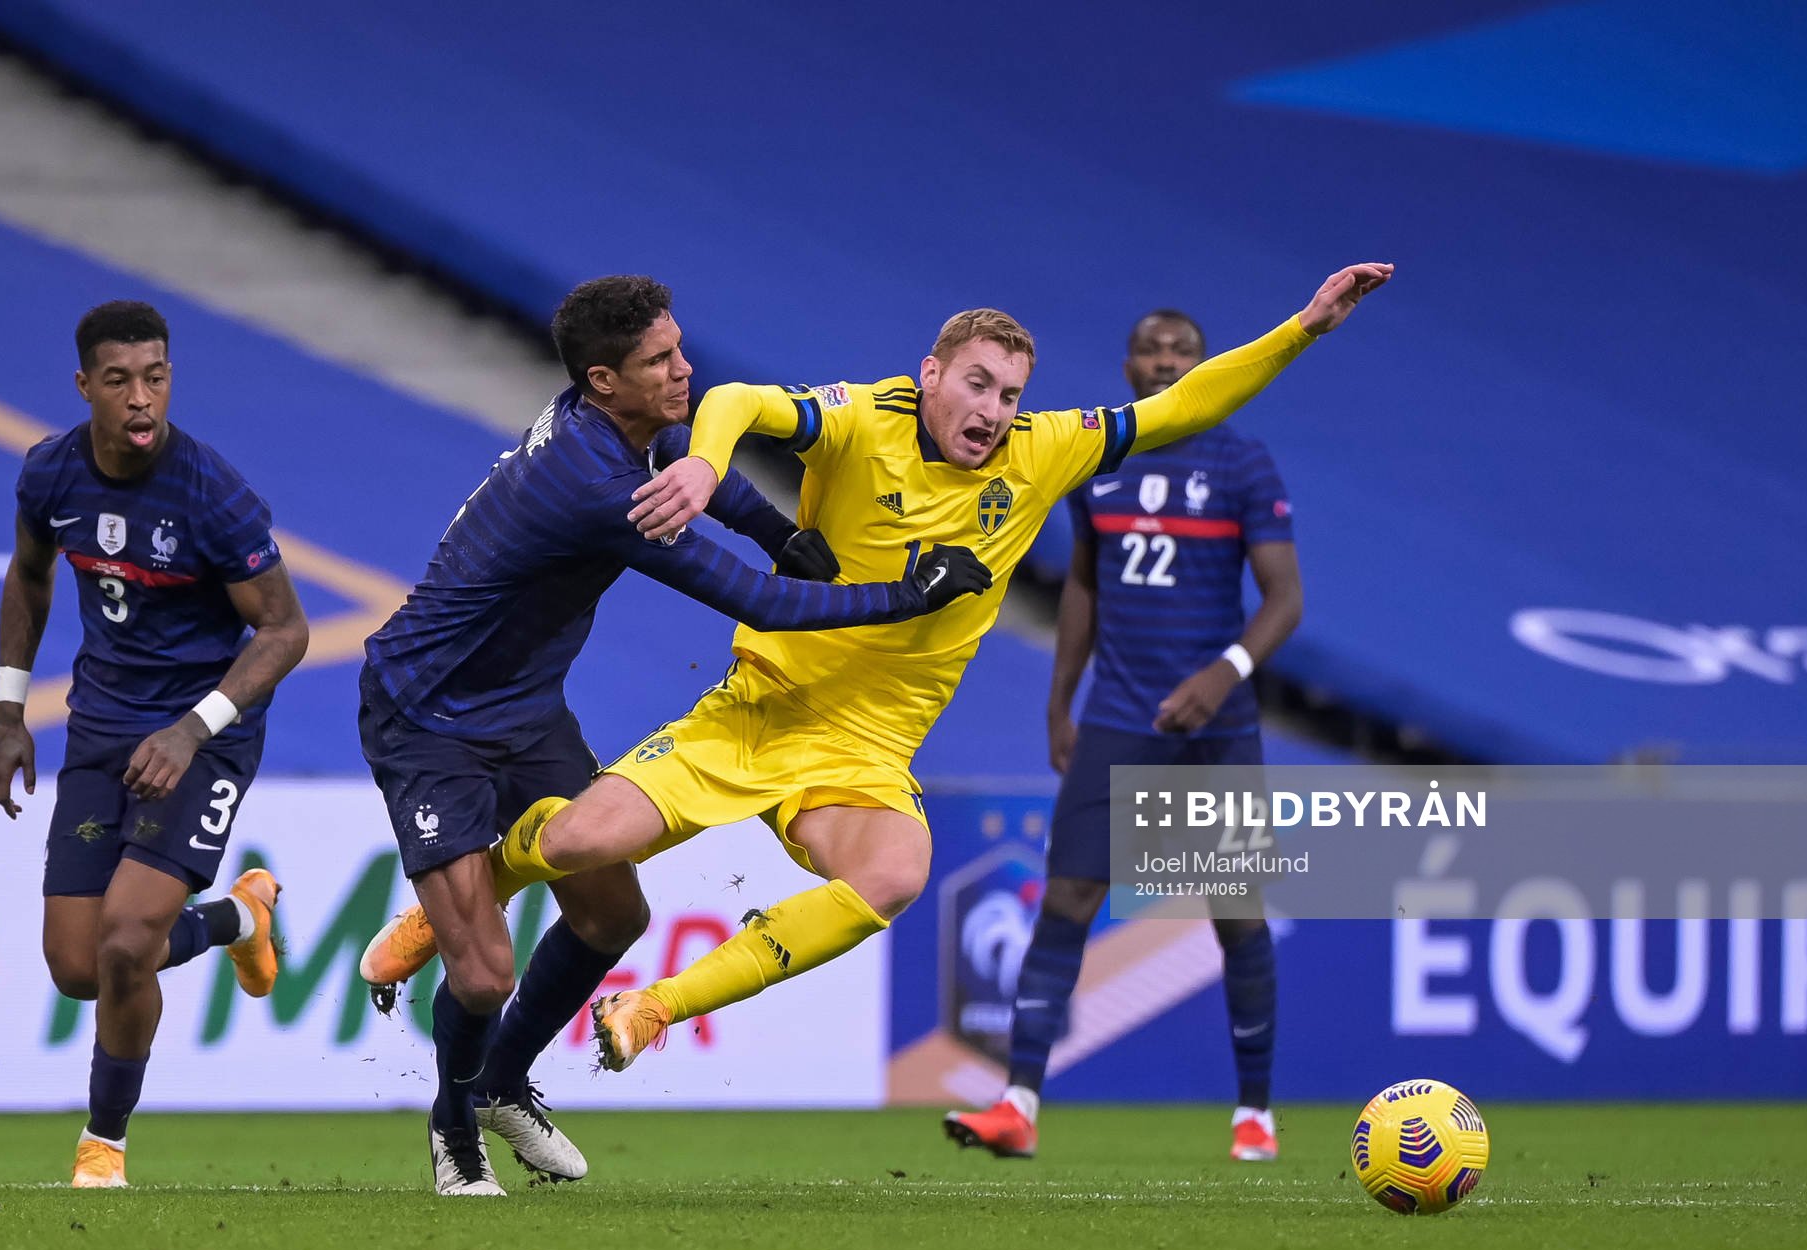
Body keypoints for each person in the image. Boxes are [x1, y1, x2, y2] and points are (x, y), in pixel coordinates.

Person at [370, 261, 1389, 1086]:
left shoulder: (1045, 454)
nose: (993, 410)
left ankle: (654, 1005)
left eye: (1010, 393)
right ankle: (464, 894)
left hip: (862, 750)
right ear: (931, 374)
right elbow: (738, 400)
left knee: (897, 871)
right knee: (585, 840)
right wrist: (701, 464)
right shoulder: (862, 416)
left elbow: (1179, 408)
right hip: (755, 709)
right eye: (978, 384)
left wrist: (1304, 327)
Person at [353, 275, 991, 1196]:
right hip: (428, 716)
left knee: (615, 913)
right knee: (486, 974)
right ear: (605, 379)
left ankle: (501, 1082)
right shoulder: (591, 483)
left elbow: (695, 463)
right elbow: (757, 602)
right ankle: (455, 1124)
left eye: (680, 348)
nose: (685, 369)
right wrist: (907, 596)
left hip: (526, 707)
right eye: (661, 361)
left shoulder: (608, 422)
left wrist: (777, 527)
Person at [941, 308, 1304, 1161]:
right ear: (1129, 361)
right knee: (1068, 899)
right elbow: (1084, 590)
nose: (1165, 360)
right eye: (1151, 349)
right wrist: (1059, 702)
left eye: (1182, 350)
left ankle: (1255, 1112)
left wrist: (1224, 674)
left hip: (1217, 726)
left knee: (1235, 913)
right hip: (1118, 716)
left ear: (1204, 363)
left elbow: (1286, 601)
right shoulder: (1100, 458)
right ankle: (1018, 1101)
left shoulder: (1243, 461)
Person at [0, 301, 307, 1189]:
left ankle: (103, 1149)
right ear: (84, 386)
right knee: (78, 967)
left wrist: (192, 726)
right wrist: (10, 714)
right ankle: (239, 918)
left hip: (201, 732)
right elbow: (30, 574)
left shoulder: (213, 493)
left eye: (156, 376)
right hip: (100, 727)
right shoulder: (51, 473)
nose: (141, 398)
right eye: (120, 379)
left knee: (129, 944)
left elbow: (285, 632)